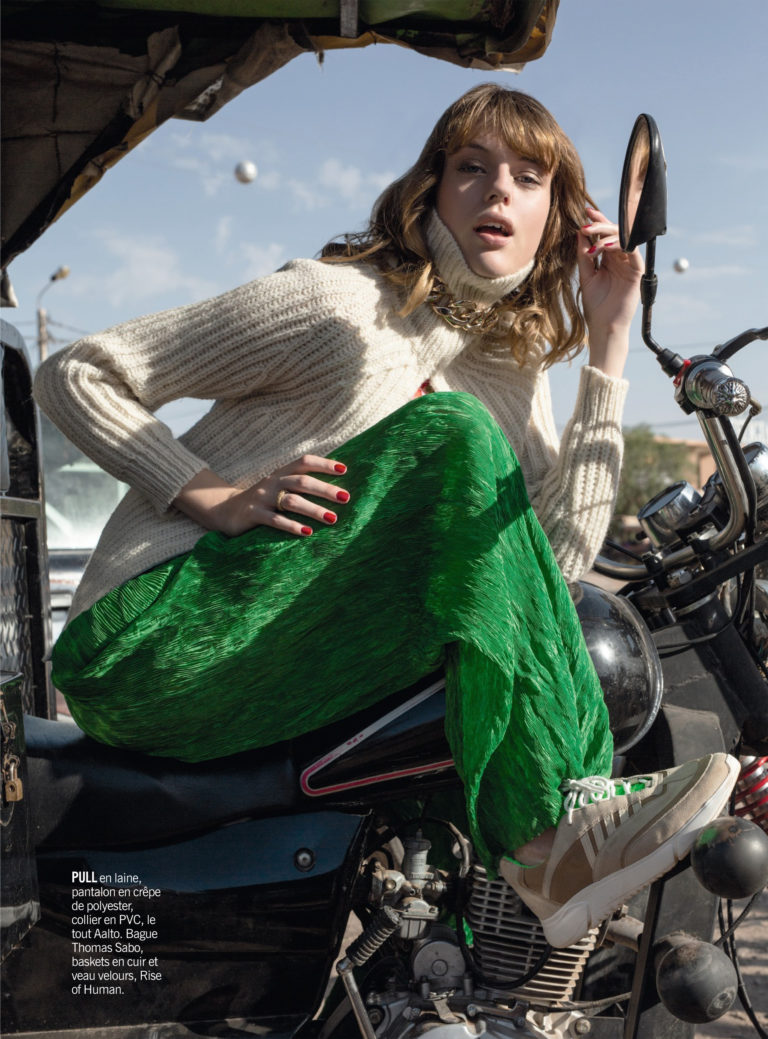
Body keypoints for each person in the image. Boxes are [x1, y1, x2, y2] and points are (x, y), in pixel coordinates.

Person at [33, 84, 737, 949]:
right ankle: (548, 841)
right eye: (471, 167)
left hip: (277, 658)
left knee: (464, 665)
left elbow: (545, 580)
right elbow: (78, 372)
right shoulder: (339, 306)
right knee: (452, 433)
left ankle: (462, 951)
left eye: (528, 177)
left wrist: (609, 344)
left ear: (557, 219)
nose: (498, 190)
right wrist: (213, 494)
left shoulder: (511, 377)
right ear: (431, 189)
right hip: (150, 641)